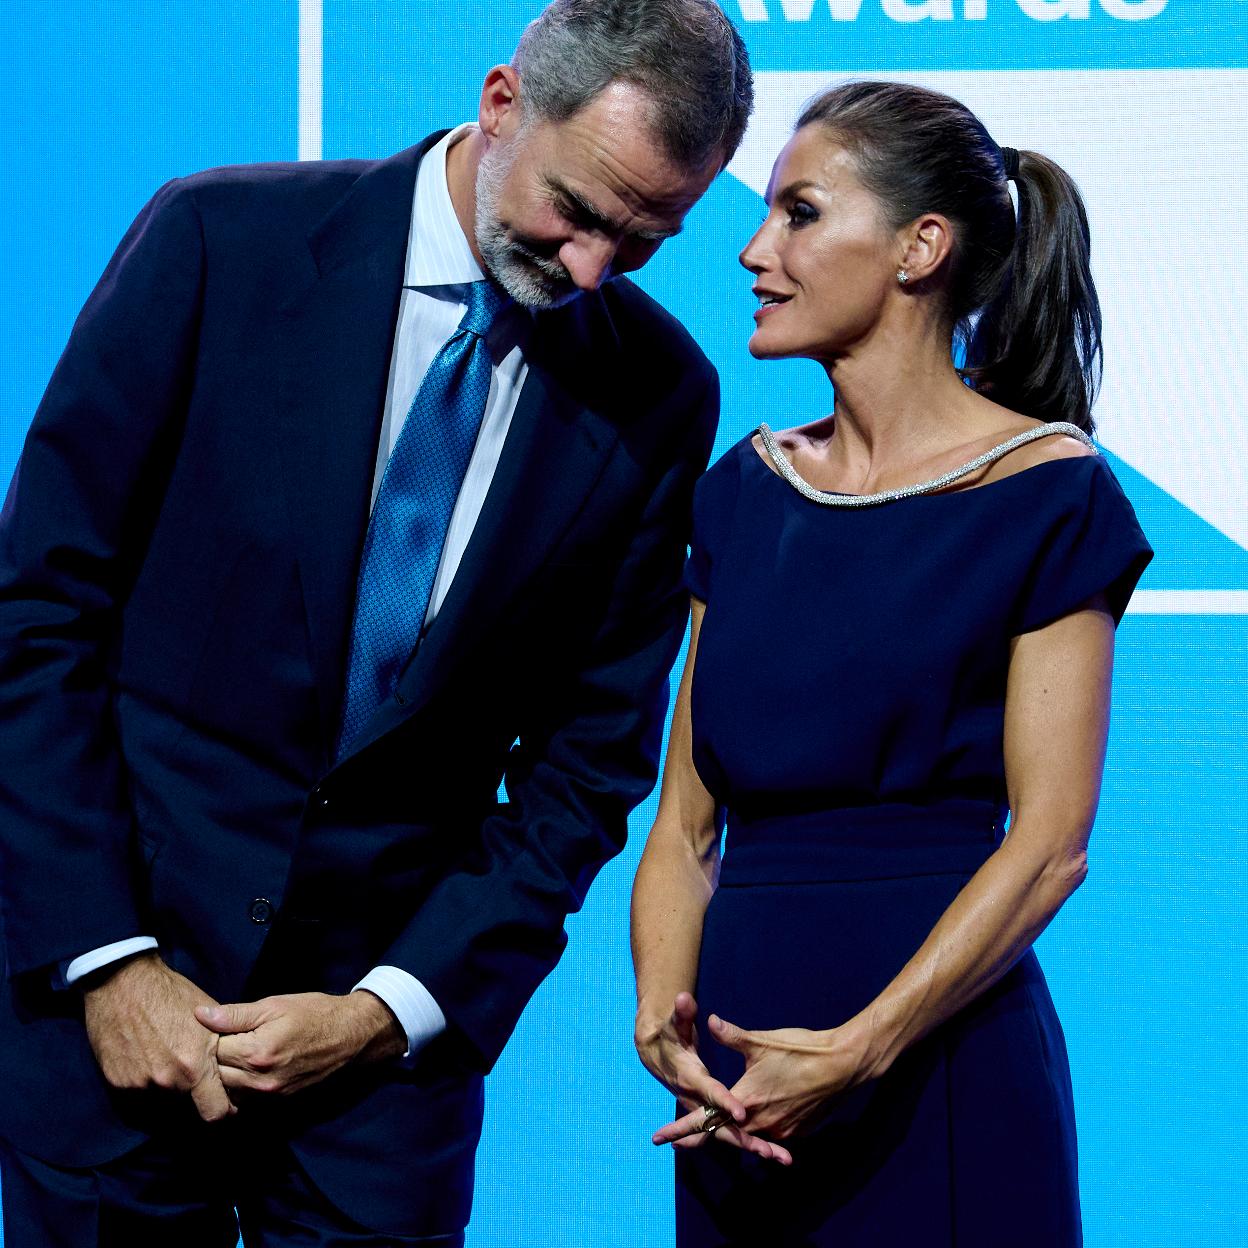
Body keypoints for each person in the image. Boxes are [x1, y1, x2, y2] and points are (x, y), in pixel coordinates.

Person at [0, 2, 752, 1243]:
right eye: (579, 207)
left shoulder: (658, 392)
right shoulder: (218, 242)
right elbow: (39, 611)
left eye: (645, 239)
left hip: (379, 1078)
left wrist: (388, 1009)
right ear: (504, 101)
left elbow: (584, 765)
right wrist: (109, 961)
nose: (590, 272)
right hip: (114, 1023)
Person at [631, 80, 1152, 1245]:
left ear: (923, 247)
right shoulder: (741, 491)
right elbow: (681, 828)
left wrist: (863, 1048)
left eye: (800, 214)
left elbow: (1052, 844)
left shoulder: (1052, 495)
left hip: (939, 1065)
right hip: (741, 1088)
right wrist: (666, 1020)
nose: (756, 251)